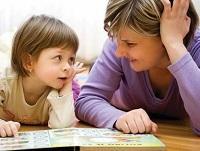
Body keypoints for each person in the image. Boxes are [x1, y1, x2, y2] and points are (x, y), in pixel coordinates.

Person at [75, 0, 200, 135]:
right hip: (121, 112)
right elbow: (87, 100)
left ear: (164, 37)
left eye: (130, 44)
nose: (119, 52)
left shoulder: (195, 49)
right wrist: (118, 117)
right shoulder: (117, 44)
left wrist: (174, 44)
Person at [0, 15, 86, 137]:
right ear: (28, 62)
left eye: (71, 59)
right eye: (58, 58)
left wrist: (67, 85)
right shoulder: (5, 82)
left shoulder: (56, 90)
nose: (67, 66)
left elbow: (62, 126)